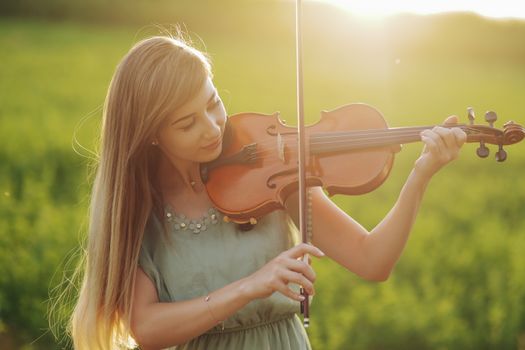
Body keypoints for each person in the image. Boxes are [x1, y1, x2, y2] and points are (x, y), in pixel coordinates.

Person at [68, 34, 466, 350]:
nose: (211, 128)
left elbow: (372, 261)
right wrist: (249, 286)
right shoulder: (140, 206)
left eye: (213, 103)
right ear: (151, 134)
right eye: (187, 123)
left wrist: (420, 175)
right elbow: (147, 328)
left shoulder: (268, 169)